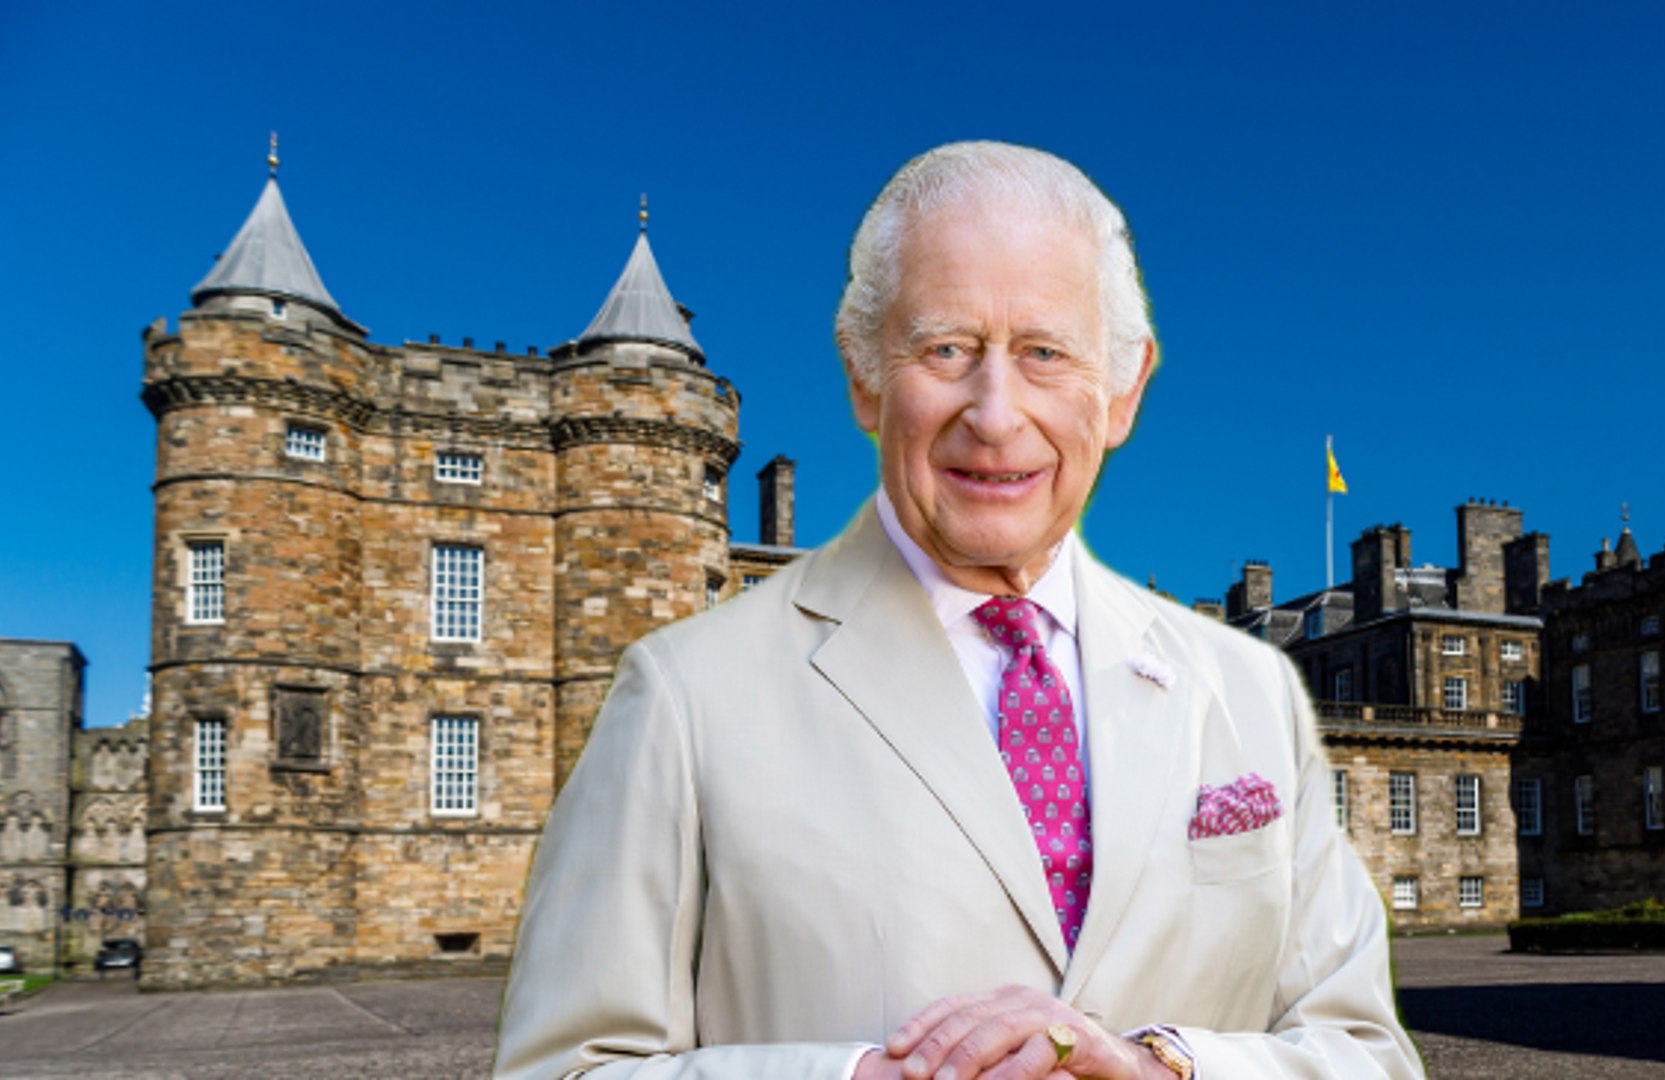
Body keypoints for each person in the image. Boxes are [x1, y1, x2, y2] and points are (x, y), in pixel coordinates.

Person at [493, 141, 1423, 1080]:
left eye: (1044, 353)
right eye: (947, 348)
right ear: (864, 376)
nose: (994, 411)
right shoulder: (685, 696)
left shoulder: (1251, 687)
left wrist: (1162, 1068)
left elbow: (1369, 1056)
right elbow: (563, 1069)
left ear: (1123, 391)